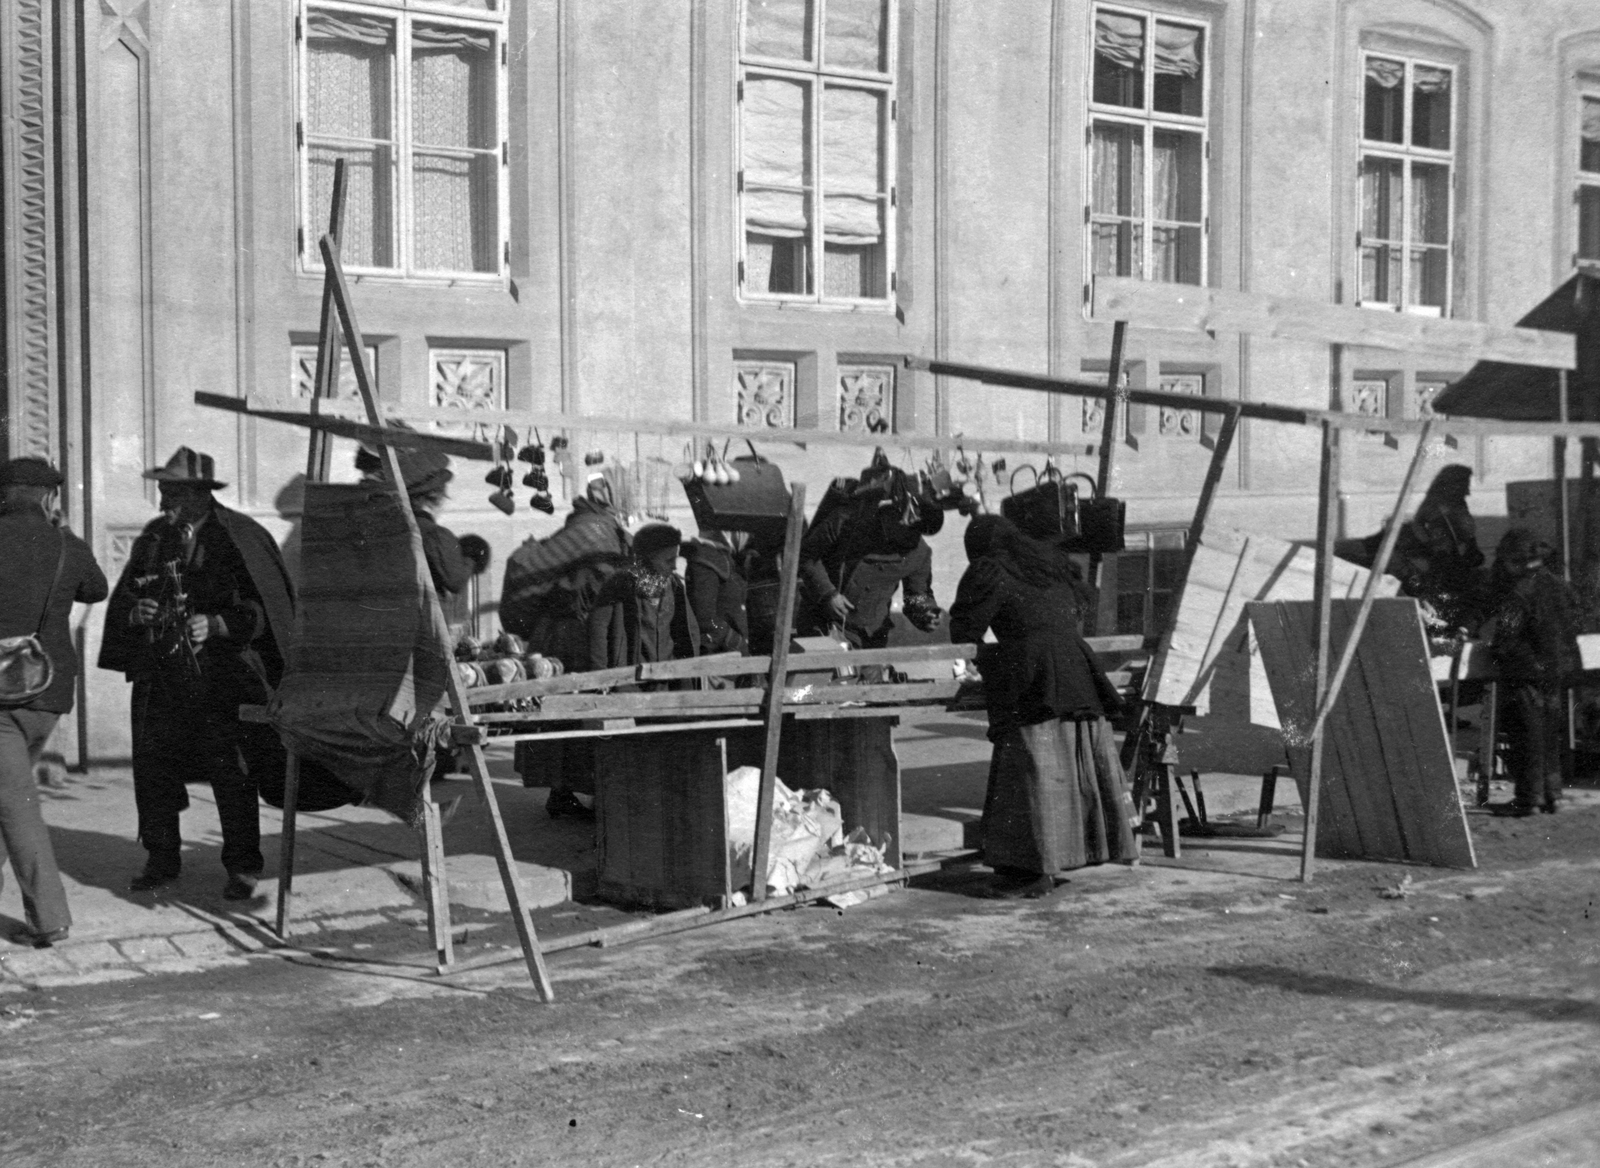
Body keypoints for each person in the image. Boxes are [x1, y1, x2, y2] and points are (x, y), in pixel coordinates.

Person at [99, 447, 295, 898]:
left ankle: (243, 866)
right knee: (154, 769)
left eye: (174, 490)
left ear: (201, 494)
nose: (164, 498)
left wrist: (219, 623)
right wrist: (136, 611)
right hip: (162, 675)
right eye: (163, 489)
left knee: (231, 770)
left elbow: (266, 613)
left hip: (220, 677)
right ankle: (161, 859)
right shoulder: (154, 537)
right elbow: (126, 595)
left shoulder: (239, 538)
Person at [950, 515, 1136, 898]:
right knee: (1071, 769)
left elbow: (965, 626)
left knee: (1032, 774)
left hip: (1033, 678)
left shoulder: (990, 569)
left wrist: (977, 656)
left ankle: (1033, 871)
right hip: (1076, 670)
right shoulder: (1047, 566)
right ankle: (1067, 858)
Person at [0, 458, 108, 946]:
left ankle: (50, 919)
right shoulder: (67, 544)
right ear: (48, 498)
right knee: (5, 795)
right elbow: (97, 588)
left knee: (16, 803)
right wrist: (59, 532)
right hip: (47, 692)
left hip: (0, 700)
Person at [499, 475, 630, 818]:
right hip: (572, 635)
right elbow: (534, 562)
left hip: (579, 631)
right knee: (573, 713)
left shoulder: (603, 527)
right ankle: (570, 793)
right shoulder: (594, 529)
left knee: (571, 716)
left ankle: (567, 792)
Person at [1486, 528, 1582, 817]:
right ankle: (1553, 795)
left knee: (1526, 736)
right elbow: (1575, 623)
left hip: (1526, 673)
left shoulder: (1518, 594)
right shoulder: (1561, 587)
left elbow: (1504, 642)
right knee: (1549, 735)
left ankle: (1529, 799)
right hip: (1557, 672)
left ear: (1514, 560)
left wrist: (1492, 650)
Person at [799, 465, 945, 650]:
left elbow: (915, 596)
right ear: (893, 512)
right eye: (904, 527)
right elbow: (806, 555)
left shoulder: (919, 553)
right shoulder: (849, 520)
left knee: (871, 679)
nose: (910, 538)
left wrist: (925, 611)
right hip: (824, 625)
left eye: (915, 532)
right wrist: (828, 593)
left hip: (871, 638)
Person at [589, 524, 699, 670]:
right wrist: (602, 678)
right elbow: (597, 632)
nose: (674, 567)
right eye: (668, 560)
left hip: (668, 681)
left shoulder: (674, 586)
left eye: (675, 559)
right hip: (630, 681)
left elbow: (689, 633)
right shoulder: (618, 585)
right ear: (647, 560)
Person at [682, 527, 784, 657]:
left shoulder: (726, 557)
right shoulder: (706, 560)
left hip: (734, 655)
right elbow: (706, 620)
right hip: (719, 656)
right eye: (748, 533)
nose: (750, 537)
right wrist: (735, 641)